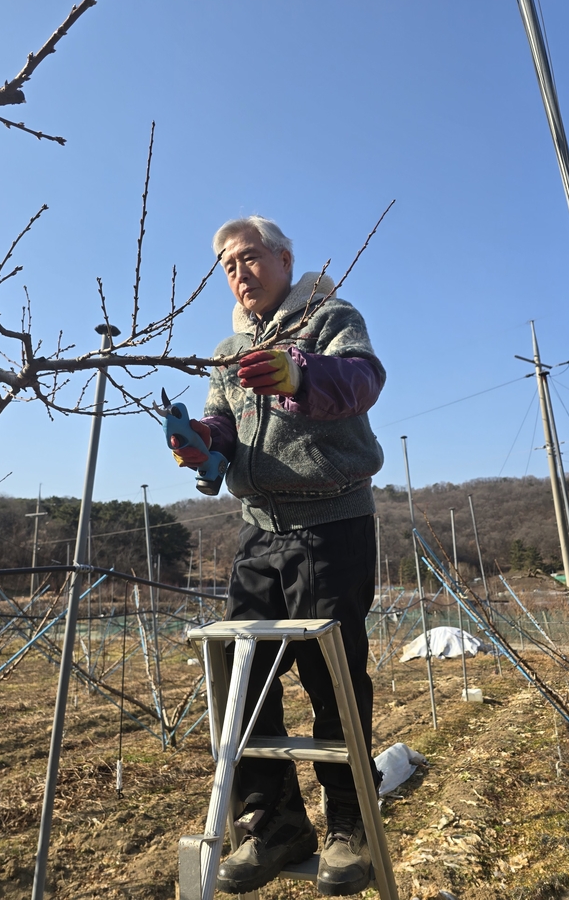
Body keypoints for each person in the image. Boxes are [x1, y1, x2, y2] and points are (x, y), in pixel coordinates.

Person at [171, 215, 386, 897]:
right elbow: (226, 426)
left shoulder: (327, 318)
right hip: (260, 528)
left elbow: (362, 379)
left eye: (251, 256)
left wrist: (299, 373)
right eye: (229, 264)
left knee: (333, 677)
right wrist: (203, 443)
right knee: (242, 674)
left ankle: (350, 823)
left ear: (285, 259)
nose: (240, 271)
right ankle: (273, 824)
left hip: (333, 520)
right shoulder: (227, 351)